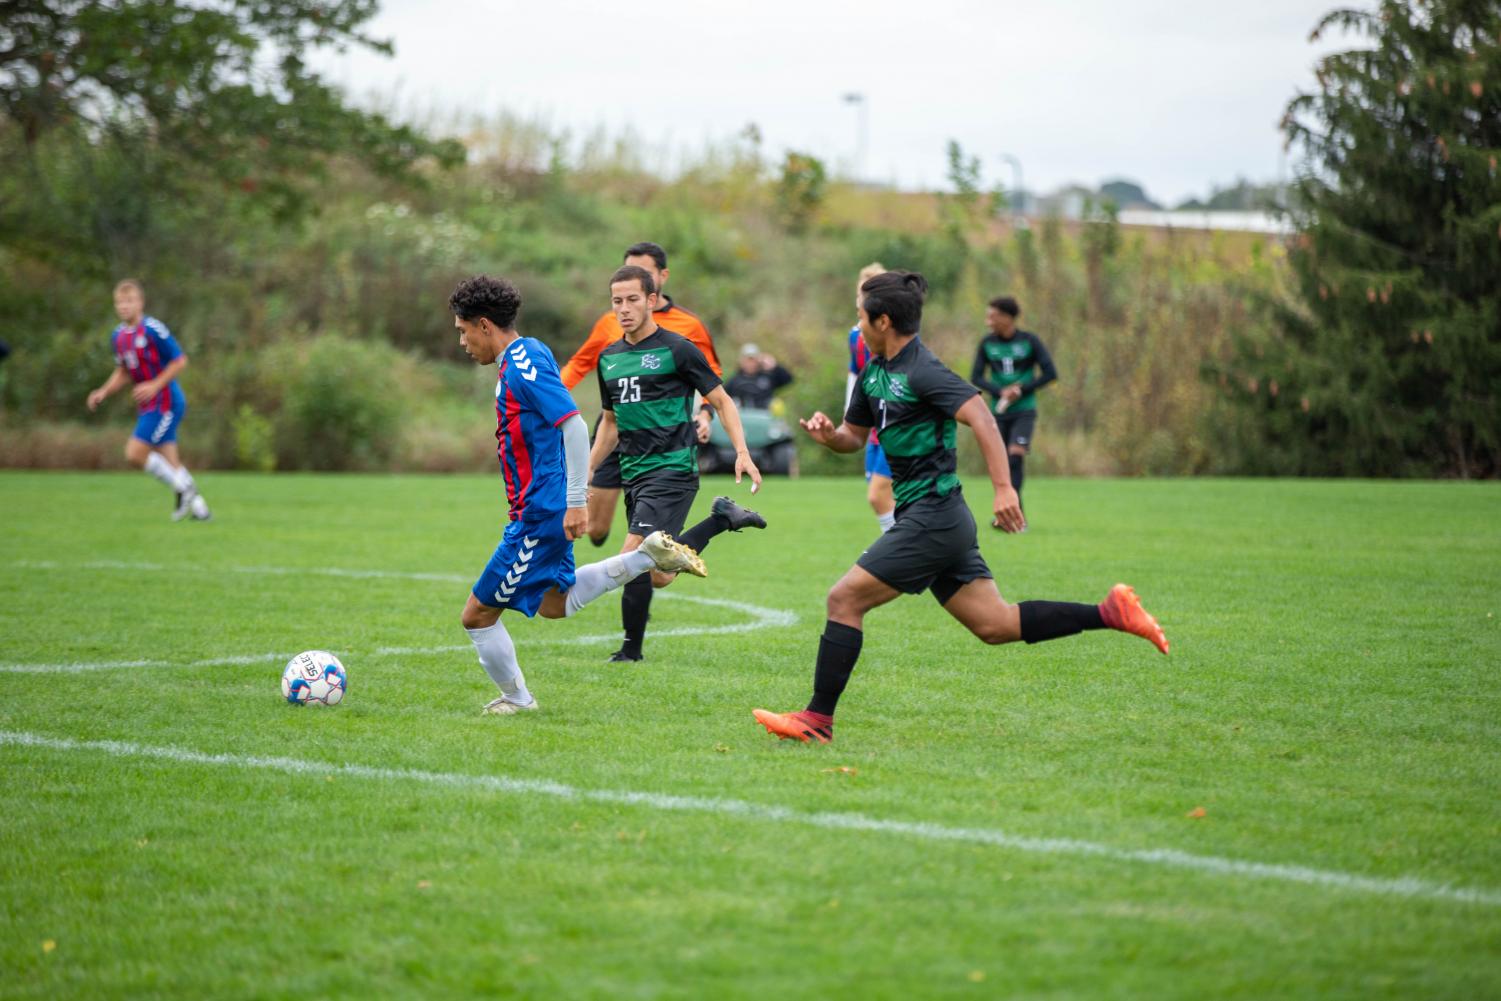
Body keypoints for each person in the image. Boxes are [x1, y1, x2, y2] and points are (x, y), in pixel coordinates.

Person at [753, 271, 1167, 744]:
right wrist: (829, 436)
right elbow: (852, 437)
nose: (857, 323)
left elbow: (982, 417)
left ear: (883, 320)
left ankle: (816, 720)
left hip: (934, 514)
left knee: (842, 599)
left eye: (861, 315)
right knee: (996, 624)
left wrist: (1005, 488)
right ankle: (1110, 611)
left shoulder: (924, 370)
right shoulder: (874, 373)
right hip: (931, 517)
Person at [449, 275, 707, 715]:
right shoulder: (522, 358)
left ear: (485, 325)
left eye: (463, 330)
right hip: (542, 506)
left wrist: (575, 499)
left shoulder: (524, 360)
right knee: (555, 604)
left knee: (476, 615)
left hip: (541, 512)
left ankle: (518, 700)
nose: (462, 341)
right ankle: (647, 556)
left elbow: (571, 423)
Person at [589, 265, 767, 663]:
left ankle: (630, 653)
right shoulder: (610, 358)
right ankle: (722, 519)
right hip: (633, 472)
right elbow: (611, 423)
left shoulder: (678, 349)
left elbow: (721, 400)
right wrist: (586, 470)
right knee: (659, 573)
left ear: (652, 300)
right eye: (617, 301)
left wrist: (741, 451)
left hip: (672, 470)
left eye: (633, 299)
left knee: (632, 555)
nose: (624, 309)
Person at [560, 241, 722, 548]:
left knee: (639, 547)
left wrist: (705, 414)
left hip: (664, 434)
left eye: (645, 273)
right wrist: (548, 401)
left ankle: (648, 524)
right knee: (594, 529)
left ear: (662, 277)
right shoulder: (610, 321)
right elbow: (580, 363)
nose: (625, 306)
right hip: (618, 424)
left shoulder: (688, 326)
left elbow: (711, 376)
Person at [85, 279, 210, 521]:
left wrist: (154, 384)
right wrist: (103, 391)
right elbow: (123, 371)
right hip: (149, 406)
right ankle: (200, 510)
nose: (124, 306)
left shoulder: (153, 330)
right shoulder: (118, 336)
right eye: (119, 302)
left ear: (140, 303)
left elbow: (180, 361)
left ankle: (183, 489)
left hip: (166, 403)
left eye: (129, 301)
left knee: (134, 453)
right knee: (170, 461)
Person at [970, 296, 1056, 515]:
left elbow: (1050, 373)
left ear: (1008, 318)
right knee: (1002, 462)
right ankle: (1008, 512)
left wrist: (1021, 390)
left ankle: (1016, 513)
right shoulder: (987, 343)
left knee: (1015, 456)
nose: (988, 321)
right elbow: (976, 377)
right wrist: (1000, 392)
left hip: (1024, 410)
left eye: (993, 316)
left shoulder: (1029, 341)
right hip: (998, 412)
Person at [847, 262, 895, 533]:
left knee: (879, 495)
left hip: (894, 423)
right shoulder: (855, 336)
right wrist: (850, 416)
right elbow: (855, 376)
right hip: (872, 423)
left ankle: (899, 555)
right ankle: (901, 551)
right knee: (878, 494)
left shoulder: (896, 335)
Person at [724, 343, 793, 410]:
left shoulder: (768, 377)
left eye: (753, 360)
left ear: (758, 361)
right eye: (747, 360)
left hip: (765, 418)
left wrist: (775, 366)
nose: (750, 364)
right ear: (741, 361)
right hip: (741, 419)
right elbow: (722, 398)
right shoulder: (734, 381)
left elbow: (788, 379)